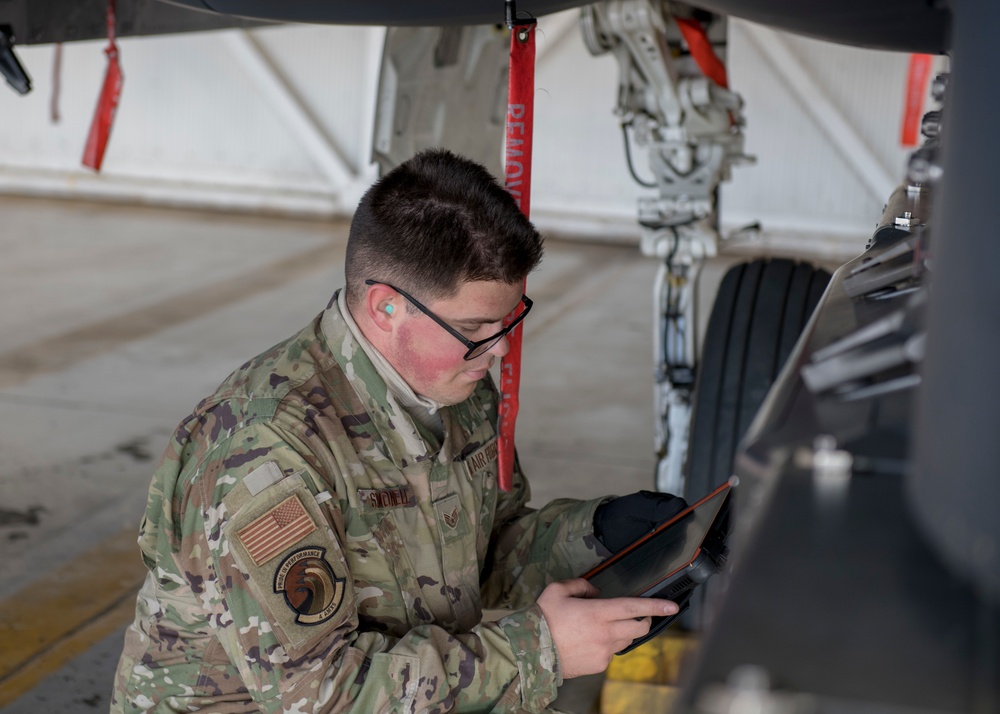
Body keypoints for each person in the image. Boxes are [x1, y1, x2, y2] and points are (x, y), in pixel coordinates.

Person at [111, 149, 686, 713]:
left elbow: (481, 554)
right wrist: (543, 649)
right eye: (474, 326)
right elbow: (324, 695)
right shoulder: (265, 454)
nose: (499, 347)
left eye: (506, 321)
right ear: (386, 307)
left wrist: (600, 534)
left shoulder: (453, 383)